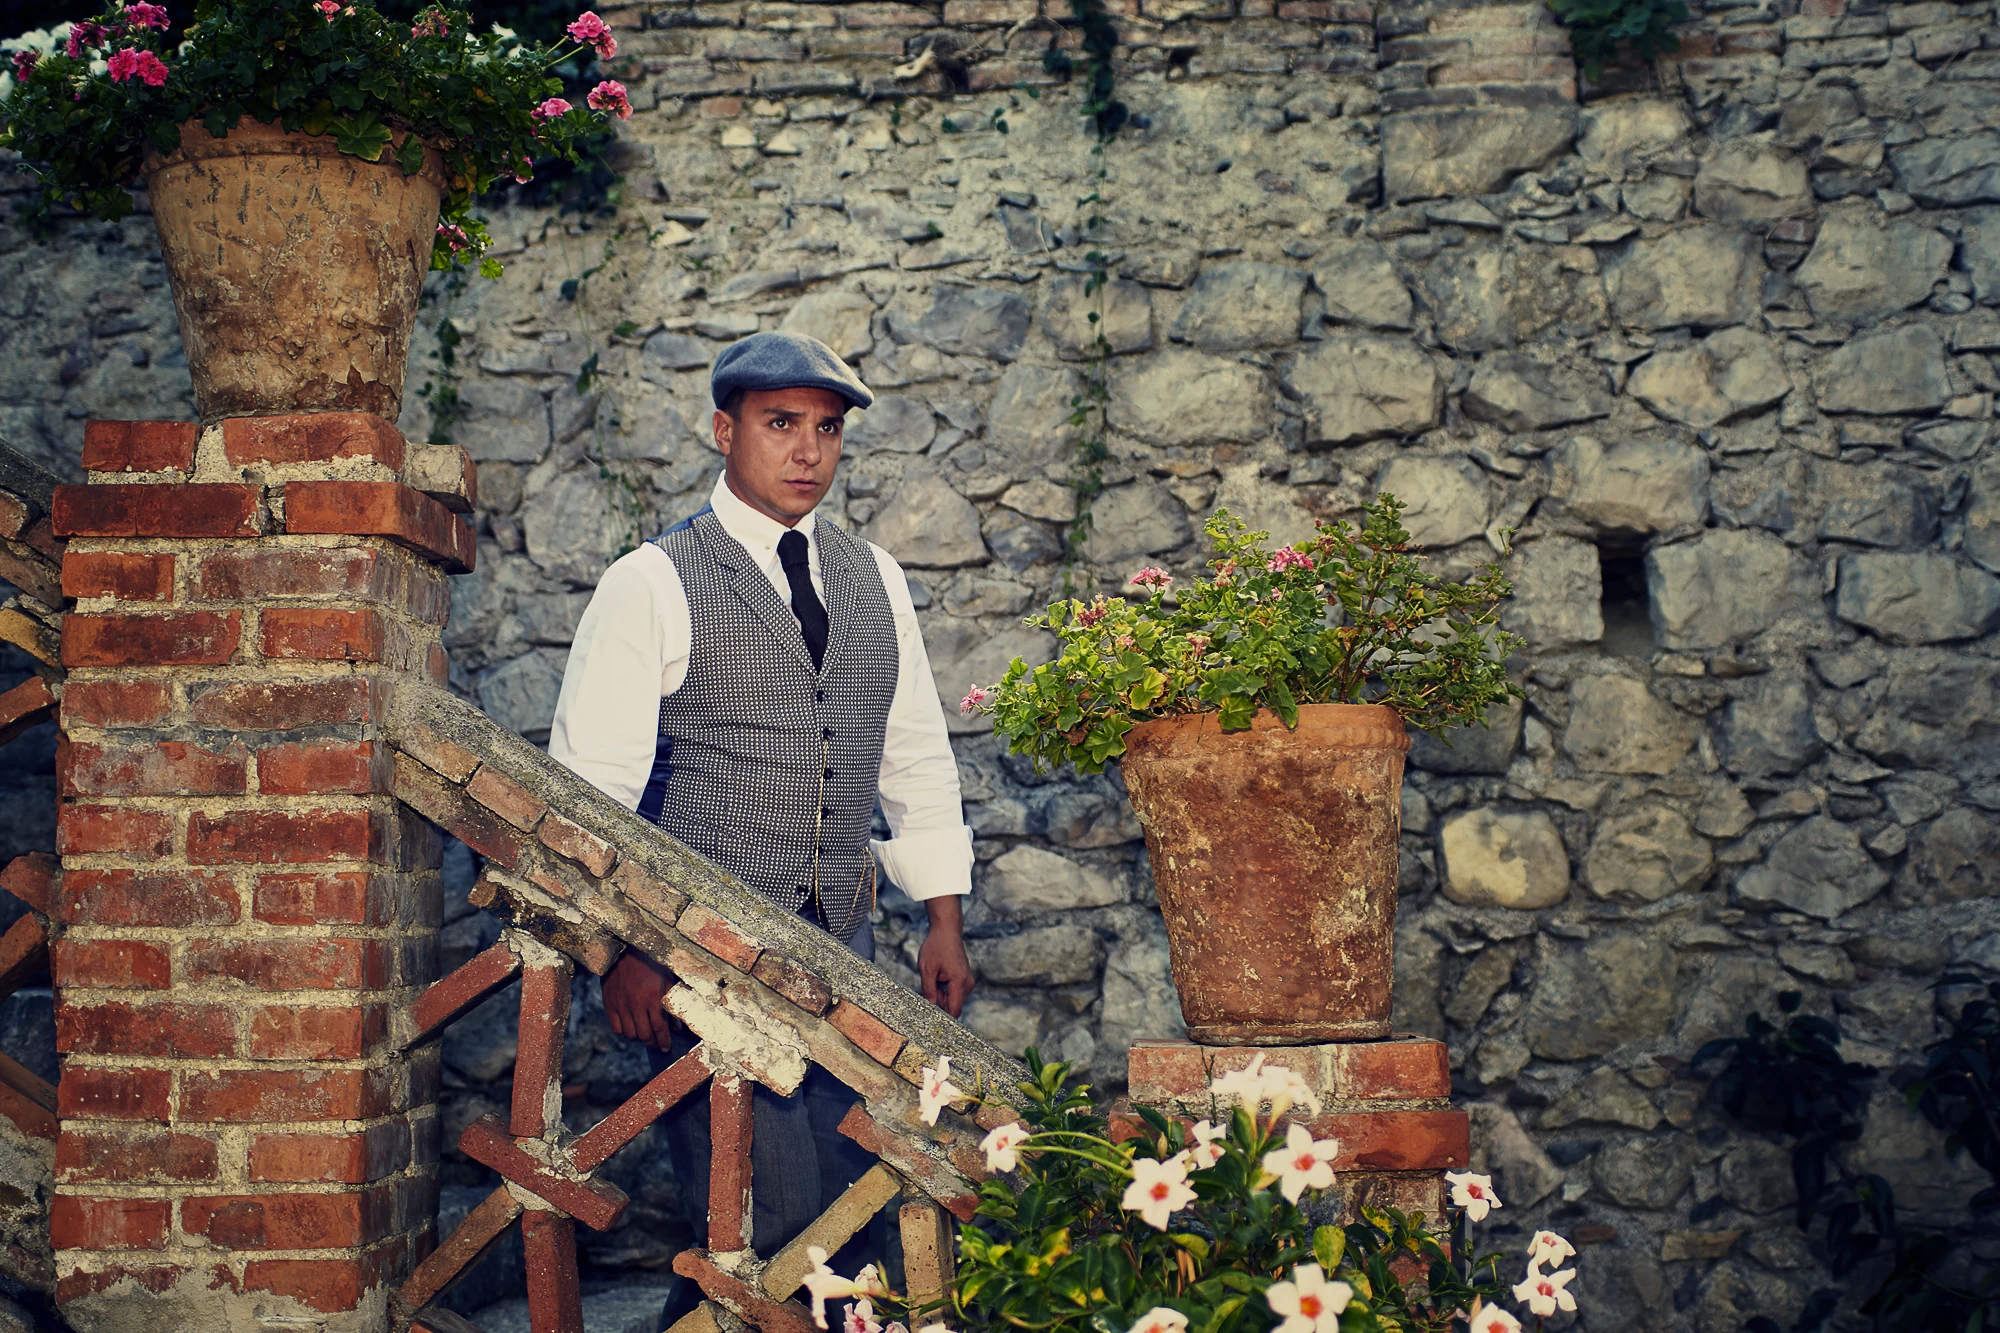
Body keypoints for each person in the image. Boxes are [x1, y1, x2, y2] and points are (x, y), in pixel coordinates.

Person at [548, 330, 977, 1330]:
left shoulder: (874, 578)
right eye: (780, 424)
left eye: (826, 429)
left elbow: (912, 752)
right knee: (761, 1220)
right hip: (703, 963)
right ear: (723, 430)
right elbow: (589, 795)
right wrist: (622, 950)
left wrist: (942, 918)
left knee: (853, 1204)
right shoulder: (651, 580)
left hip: (845, 948)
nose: (807, 451)